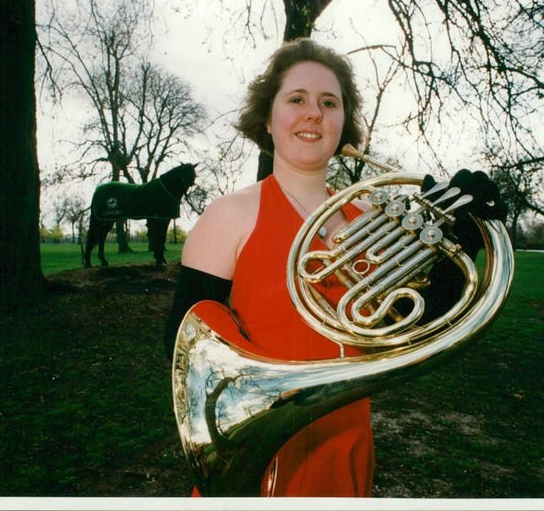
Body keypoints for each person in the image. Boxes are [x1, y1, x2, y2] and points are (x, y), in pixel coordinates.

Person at [164, 38, 507, 497]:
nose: (314, 113)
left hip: (347, 442)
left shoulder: (367, 216)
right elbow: (185, 349)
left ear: (343, 122)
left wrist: (463, 236)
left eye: (329, 102)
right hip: (267, 452)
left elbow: (411, 321)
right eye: (297, 99)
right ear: (268, 118)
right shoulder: (229, 215)